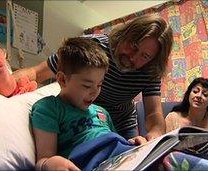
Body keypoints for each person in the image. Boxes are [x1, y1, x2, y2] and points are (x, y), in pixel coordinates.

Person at [14, 14, 173, 142]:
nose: (133, 58)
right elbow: (36, 73)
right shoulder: (91, 47)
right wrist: (7, 82)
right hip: (82, 116)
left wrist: (156, 135)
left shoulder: (150, 70)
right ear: (126, 33)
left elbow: (153, 114)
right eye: (134, 46)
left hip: (121, 123)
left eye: (144, 56)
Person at [31, 37, 116, 171]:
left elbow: (116, 141)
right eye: (87, 86)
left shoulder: (102, 112)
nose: (95, 92)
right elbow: (43, 159)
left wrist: (136, 144)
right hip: (90, 160)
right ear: (62, 79)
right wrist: (50, 163)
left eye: (99, 85)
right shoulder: (49, 108)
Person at [165, 77, 208, 156]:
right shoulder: (172, 117)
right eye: (195, 91)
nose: (199, 96)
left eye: (205, 94)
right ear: (189, 95)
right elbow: (164, 150)